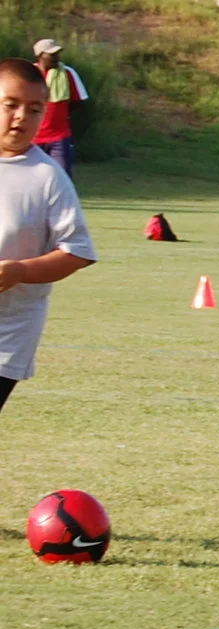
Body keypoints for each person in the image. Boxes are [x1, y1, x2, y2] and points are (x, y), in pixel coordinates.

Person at [0, 58, 98, 421]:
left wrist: (20, 271)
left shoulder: (47, 178)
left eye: (34, 109)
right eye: (10, 105)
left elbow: (76, 252)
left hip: (8, 332)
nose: (21, 117)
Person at [30, 39, 84, 177]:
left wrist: (61, 115)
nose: (56, 58)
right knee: (31, 177)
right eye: (52, 54)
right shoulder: (29, 73)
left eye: (57, 54)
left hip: (59, 136)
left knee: (62, 177)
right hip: (32, 137)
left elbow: (78, 101)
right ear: (40, 55)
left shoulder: (67, 73)